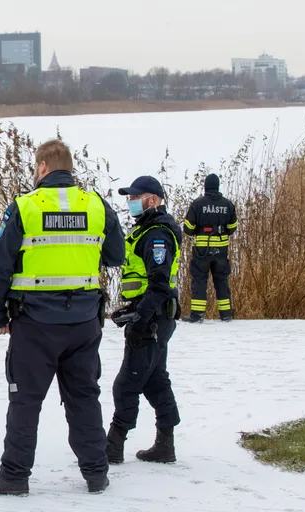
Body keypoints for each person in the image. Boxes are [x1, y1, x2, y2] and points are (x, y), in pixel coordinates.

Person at [0, 139, 125, 495]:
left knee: (25, 399)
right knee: (84, 396)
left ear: (43, 167)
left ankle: (14, 475)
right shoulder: (96, 205)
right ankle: (96, 472)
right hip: (84, 322)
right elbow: (117, 254)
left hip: (34, 323)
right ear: (69, 168)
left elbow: (0, 266)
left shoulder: (24, 207)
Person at [106, 176, 182, 465]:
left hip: (152, 318)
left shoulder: (157, 235)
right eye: (129, 198)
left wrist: (141, 319)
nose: (130, 202)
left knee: (127, 383)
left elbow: (159, 283)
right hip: (156, 315)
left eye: (135, 197)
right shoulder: (147, 231)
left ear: (153, 199)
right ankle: (166, 444)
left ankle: (113, 445)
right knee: (154, 380)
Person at [181, 173, 238, 323]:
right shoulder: (228, 204)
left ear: (205, 186)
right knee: (222, 281)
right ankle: (226, 315)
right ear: (218, 186)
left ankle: (197, 316)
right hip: (221, 251)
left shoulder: (198, 204)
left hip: (201, 251)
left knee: (199, 280)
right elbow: (232, 227)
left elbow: (188, 228)